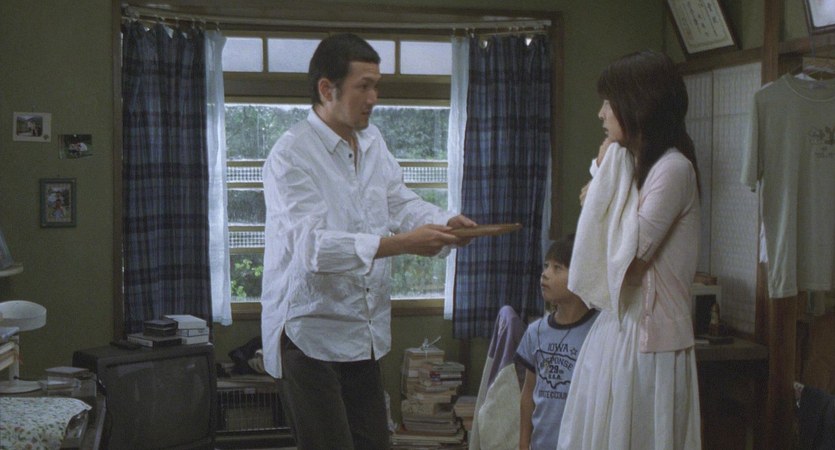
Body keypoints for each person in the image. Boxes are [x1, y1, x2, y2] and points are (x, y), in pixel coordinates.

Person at [259, 33, 476, 450]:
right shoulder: (291, 155)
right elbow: (314, 249)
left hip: (363, 333)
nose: (374, 98)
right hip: (309, 334)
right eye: (364, 86)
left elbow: (399, 201)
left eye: (376, 86)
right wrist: (403, 244)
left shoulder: (373, 142)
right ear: (327, 89)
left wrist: (443, 221)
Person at [557, 50, 702, 450]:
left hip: (652, 339)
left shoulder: (673, 169)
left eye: (610, 102)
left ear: (639, 104)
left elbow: (629, 264)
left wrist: (598, 187)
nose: (602, 113)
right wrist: (605, 174)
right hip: (618, 328)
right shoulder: (631, 164)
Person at [515, 234, 598, 450]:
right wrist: (523, 443)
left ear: (581, 274)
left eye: (557, 268)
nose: (545, 274)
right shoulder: (536, 332)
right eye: (546, 266)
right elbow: (528, 393)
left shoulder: (599, 331)